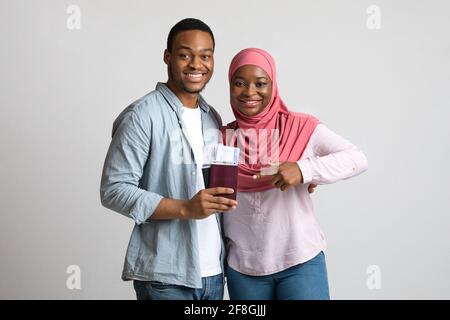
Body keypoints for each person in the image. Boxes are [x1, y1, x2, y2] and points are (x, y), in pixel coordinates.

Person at [100, 18, 237, 300]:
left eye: (205, 56)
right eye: (185, 54)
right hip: (165, 280)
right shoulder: (142, 115)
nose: (196, 64)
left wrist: (301, 177)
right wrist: (185, 208)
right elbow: (114, 190)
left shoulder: (212, 118)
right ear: (168, 57)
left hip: (214, 275)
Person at [222, 48, 369, 300]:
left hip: (300, 261)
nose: (249, 92)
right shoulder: (222, 138)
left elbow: (357, 158)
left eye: (260, 83)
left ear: (273, 85)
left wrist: (304, 170)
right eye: (239, 83)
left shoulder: (301, 127)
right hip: (243, 267)